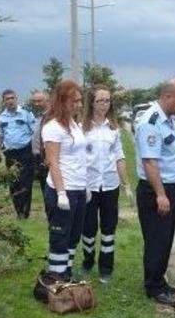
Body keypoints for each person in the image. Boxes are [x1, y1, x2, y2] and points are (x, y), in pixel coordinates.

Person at [135, 79, 175, 305]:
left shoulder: (169, 119)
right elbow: (150, 162)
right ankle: (154, 288)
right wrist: (160, 194)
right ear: (167, 96)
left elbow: (171, 155)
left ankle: (160, 280)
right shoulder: (151, 122)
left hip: (168, 186)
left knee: (165, 238)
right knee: (157, 239)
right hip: (155, 190)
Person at [33, 79, 89, 299]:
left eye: (80, 100)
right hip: (61, 189)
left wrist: (84, 186)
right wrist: (62, 193)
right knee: (60, 236)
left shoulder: (73, 124)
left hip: (77, 187)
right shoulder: (52, 127)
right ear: (62, 100)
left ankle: (66, 273)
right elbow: (53, 162)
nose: (78, 104)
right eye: (74, 100)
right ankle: (55, 279)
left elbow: (79, 157)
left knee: (74, 235)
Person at [80, 85, 134, 284]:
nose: (104, 104)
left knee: (109, 228)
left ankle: (106, 267)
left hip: (110, 185)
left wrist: (126, 185)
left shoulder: (114, 128)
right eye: (100, 100)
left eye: (107, 100)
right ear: (91, 103)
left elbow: (119, 157)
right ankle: (87, 261)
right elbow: (78, 159)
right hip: (88, 186)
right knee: (88, 228)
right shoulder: (82, 128)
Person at [0, 89, 36, 218]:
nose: (10, 101)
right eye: (7, 99)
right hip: (10, 153)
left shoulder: (26, 113)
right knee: (14, 182)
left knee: (25, 182)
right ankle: (18, 210)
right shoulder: (2, 118)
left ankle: (25, 212)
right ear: (3, 102)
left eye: (12, 98)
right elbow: (1, 135)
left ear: (16, 99)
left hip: (25, 151)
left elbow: (34, 132)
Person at [29, 90, 52, 212]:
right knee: (45, 190)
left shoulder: (52, 117)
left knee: (50, 192)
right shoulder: (39, 117)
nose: (36, 104)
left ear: (48, 101)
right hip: (38, 158)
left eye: (39, 101)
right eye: (34, 101)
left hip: (48, 158)